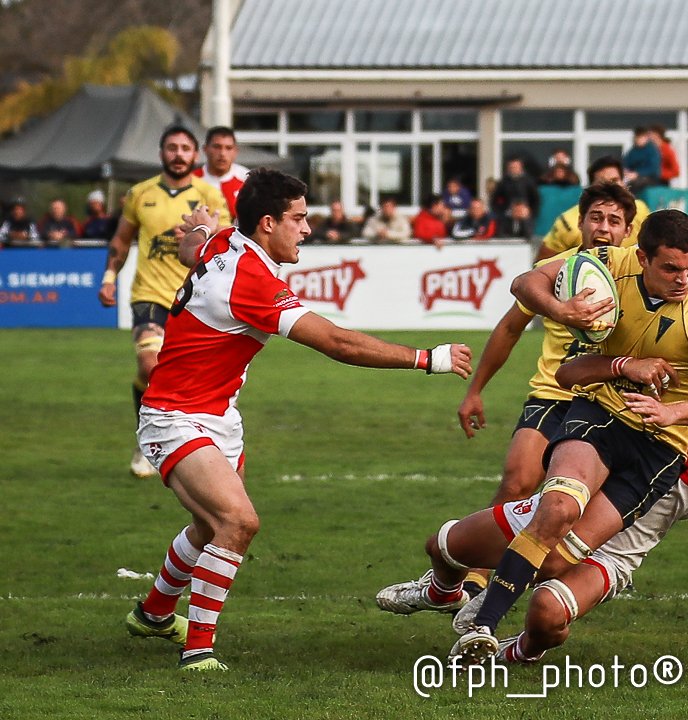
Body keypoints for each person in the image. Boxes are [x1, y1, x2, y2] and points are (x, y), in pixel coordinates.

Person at [123, 168, 474, 672]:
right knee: (237, 522)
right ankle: (197, 652)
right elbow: (336, 342)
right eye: (299, 218)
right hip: (175, 417)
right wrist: (425, 358)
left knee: (208, 524)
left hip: (217, 415)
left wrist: (200, 225)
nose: (308, 229)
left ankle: (154, 614)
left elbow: (191, 249)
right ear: (267, 223)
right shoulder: (252, 280)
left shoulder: (226, 240)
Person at [379, 337, 688, 663]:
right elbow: (571, 373)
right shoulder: (644, 396)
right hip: (552, 518)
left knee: (546, 613)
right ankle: (442, 591)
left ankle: (512, 654)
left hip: (610, 557)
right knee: (441, 546)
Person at [451, 209, 688, 663]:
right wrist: (561, 309)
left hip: (661, 446)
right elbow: (526, 283)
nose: (684, 278)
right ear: (642, 257)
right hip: (601, 410)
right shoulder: (609, 261)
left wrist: (674, 412)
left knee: (557, 560)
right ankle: (482, 627)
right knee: (557, 507)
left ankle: (491, 605)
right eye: (670, 268)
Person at [97, 125, 231, 478]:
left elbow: (228, 241)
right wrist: (109, 277)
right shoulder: (140, 193)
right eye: (171, 147)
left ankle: (191, 441)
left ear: (195, 155)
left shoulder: (209, 196)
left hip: (194, 299)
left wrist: (200, 233)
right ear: (161, 153)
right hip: (150, 295)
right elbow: (122, 240)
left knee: (188, 378)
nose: (178, 154)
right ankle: (149, 443)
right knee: (149, 364)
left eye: (185, 148)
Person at [535, 156, 651, 261]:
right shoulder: (569, 222)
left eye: (615, 180)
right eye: (596, 218)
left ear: (628, 230)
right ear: (581, 222)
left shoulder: (640, 210)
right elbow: (541, 264)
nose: (604, 228)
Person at [194, 126, 249, 217]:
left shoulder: (247, 179)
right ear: (205, 149)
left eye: (228, 148)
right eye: (217, 147)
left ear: (235, 151)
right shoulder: (191, 180)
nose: (222, 153)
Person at [491, 157, 540, 223]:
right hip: (508, 217)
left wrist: (531, 213)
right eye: (511, 167)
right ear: (508, 168)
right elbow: (494, 199)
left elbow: (536, 199)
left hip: (525, 216)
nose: (513, 169)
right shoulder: (503, 182)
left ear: (520, 167)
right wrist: (501, 213)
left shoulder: (528, 181)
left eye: (516, 167)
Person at [622, 126, 661, 194]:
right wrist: (625, 171)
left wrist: (637, 174)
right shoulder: (633, 151)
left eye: (640, 137)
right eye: (637, 137)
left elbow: (653, 168)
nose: (638, 139)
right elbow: (626, 163)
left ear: (646, 137)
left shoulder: (652, 150)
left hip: (650, 179)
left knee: (635, 184)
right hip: (632, 177)